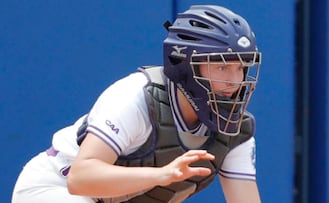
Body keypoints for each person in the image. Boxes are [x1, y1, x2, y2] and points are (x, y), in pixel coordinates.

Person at [12, 5, 262, 203]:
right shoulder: (137, 96)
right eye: (222, 66)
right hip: (55, 187)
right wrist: (161, 175)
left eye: (240, 67)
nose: (234, 80)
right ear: (185, 65)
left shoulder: (234, 126)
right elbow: (81, 179)